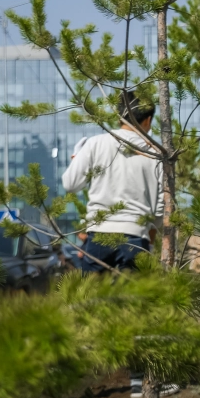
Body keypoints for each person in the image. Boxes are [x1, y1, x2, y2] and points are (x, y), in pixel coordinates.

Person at [62, 91, 163, 272]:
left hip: (99, 235)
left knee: (92, 297)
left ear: (119, 116)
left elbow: (71, 184)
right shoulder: (156, 154)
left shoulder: (96, 144)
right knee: (133, 298)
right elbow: (160, 210)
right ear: (147, 120)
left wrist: (77, 157)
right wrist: (151, 244)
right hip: (136, 236)